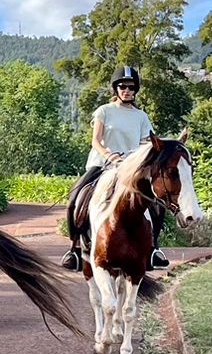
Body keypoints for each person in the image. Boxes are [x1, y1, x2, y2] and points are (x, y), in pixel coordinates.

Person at [62, 64, 170, 271]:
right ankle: (75, 248)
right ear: (116, 89)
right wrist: (109, 155)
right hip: (101, 164)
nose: (126, 90)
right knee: (74, 199)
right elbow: (95, 141)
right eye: (122, 86)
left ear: (135, 90)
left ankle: (154, 248)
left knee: (156, 204)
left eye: (130, 87)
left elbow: (145, 143)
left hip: (130, 169)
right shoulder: (104, 111)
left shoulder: (141, 117)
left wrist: (132, 159)